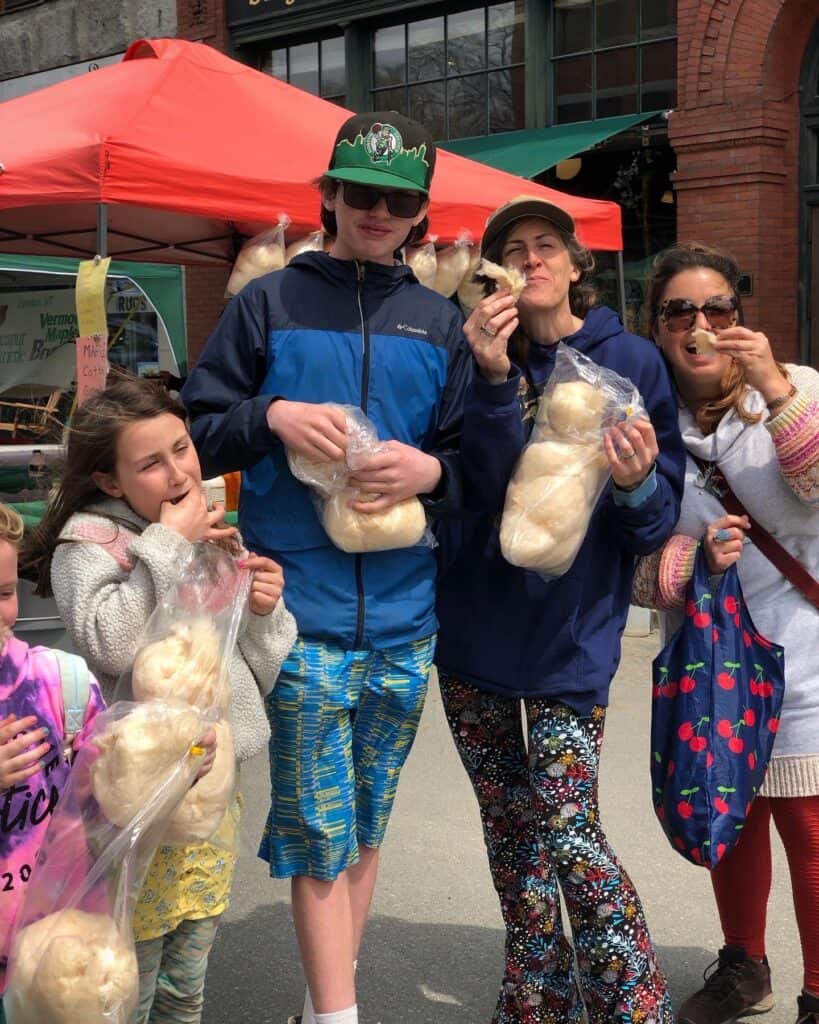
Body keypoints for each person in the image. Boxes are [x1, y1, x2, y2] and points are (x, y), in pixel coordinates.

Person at [181, 111, 471, 1024]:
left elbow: (478, 463)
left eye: (398, 199)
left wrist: (432, 470)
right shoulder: (265, 303)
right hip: (294, 614)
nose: (377, 211)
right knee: (318, 836)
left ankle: (322, 1001)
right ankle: (340, 1018)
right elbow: (197, 424)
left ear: (419, 211)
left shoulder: (440, 322)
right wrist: (267, 415)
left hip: (404, 619)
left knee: (367, 825)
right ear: (329, 196)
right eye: (361, 193)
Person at [434, 195, 686, 1024]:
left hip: (568, 643)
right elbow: (477, 495)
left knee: (571, 840)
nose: (530, 259)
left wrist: (634, 481)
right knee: (512, 845)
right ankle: (532, 1001)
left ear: (578, 265)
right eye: (513, 248)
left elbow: (651, 522)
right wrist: (496, 376)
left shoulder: (633, 364)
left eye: (547, 245)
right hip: (472, 632)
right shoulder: (472, 354)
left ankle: (630, 1005)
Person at [21, 376, 297, 1024]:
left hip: (205, 802)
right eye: (150, 462)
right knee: (122, 980)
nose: (178, 471)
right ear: (111, 481)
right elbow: (112, 642)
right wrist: (168, 545)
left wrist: (264, 611)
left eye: (182, 448)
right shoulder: (89, 546)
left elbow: (250, 670)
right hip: (129, 809)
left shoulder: (205, 533)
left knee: (186, 977)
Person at [632, 242, 819, 1024]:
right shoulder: (640, 422)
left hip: (801, 647)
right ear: (658, 326)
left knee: (808, 830)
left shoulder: (798, 390)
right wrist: (688, 560)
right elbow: (628, 563)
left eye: (718, 309)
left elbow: (813, 493)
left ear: (740, 319)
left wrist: (774, 385)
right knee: (727, 813)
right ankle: (745, 966)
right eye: (681, 310)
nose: (700, 323)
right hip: (709, 662)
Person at [0, 502, 107, 1023]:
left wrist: (182, 764)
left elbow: (111, 802)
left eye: (2, 593)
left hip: (54, 957)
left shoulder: (62, 685)